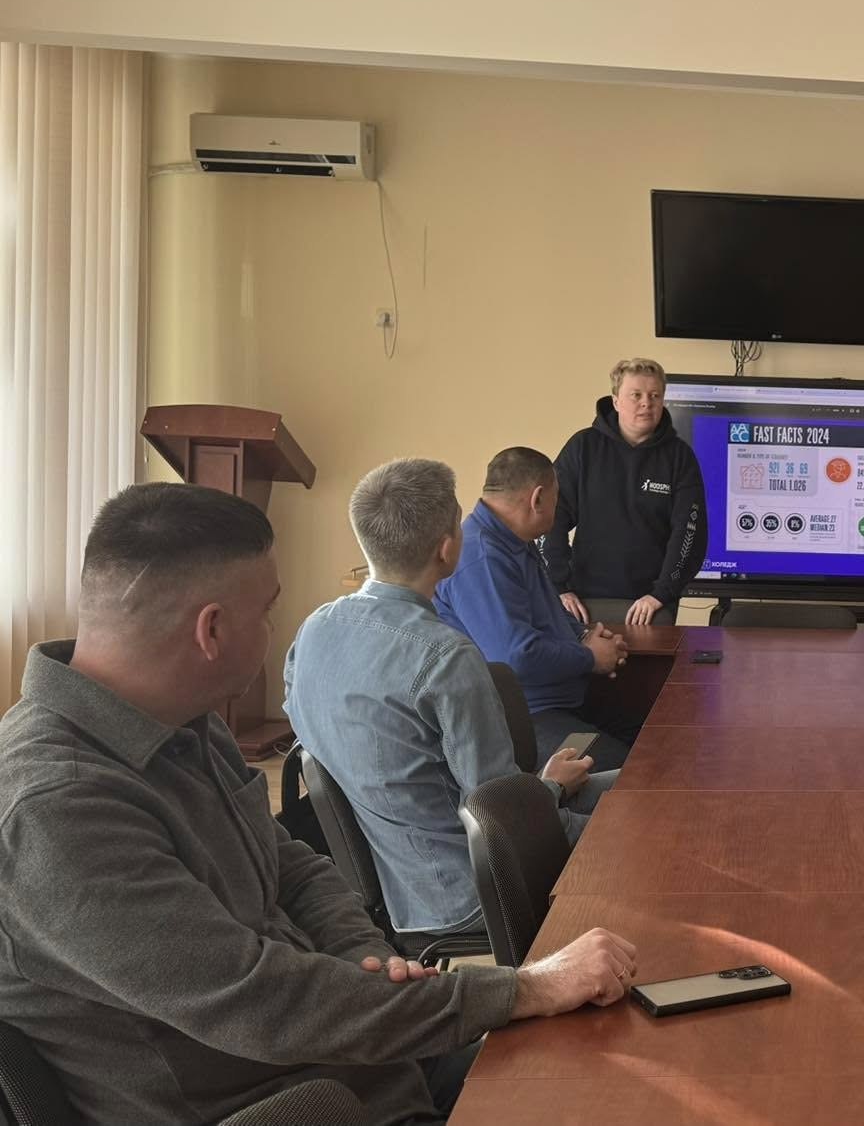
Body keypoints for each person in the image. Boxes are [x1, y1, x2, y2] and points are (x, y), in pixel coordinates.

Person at [0, 482, 639, 1125]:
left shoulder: (181, 718)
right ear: (212, 630)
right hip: (308, 1104)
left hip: (371, 1061)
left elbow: (293, 867)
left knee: (617, 1065)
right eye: (267, 611)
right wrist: (525, 988)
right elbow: (264, 1004)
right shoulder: (57, 810)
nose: (274, 629)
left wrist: (369, 960)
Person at [285, 458, 620, 947]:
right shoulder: (446, 657)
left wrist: (544, 788)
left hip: (403, 878)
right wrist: (551, 797)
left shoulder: (314, 629)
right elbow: (503, 816)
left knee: (632, 789)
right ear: (447, 549)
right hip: (476, 884)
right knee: (643, 826)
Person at [437, 446, 636, 770]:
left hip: (564, 695)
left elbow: (549, 612)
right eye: (558, 499)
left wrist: (585, 636)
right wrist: (589, 657)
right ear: (538, 498)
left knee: (655, 736)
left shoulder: (515, 540)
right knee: (627, 772)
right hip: (524, 714)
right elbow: (515, 655)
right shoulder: (482, 556)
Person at [543, 357, 707, 629]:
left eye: (655, 396)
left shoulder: (680, 457)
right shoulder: (583, 447)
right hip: (583, 601)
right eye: (636, 395)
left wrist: (661, 594)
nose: (646, 403)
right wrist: (558, 585)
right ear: (616, 401)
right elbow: (551, 516)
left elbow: (690, 533)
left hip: (651, 604)